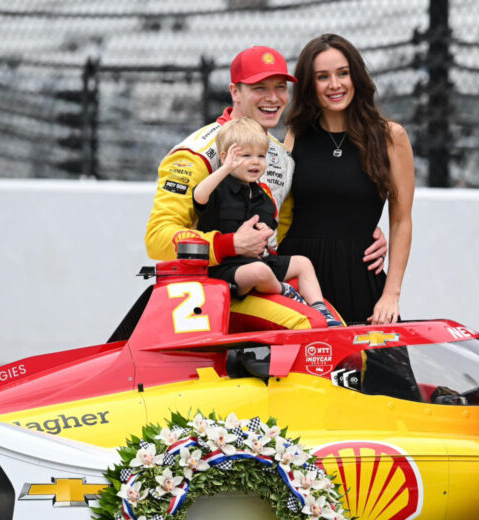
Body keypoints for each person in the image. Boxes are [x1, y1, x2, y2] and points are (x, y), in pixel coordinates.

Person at [144, 45, 386, 330]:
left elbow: (284, 233)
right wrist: (228, 244)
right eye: (260, 88)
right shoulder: (195, 154)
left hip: (264, 281)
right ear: (235, 92)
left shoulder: (282, 157)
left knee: (336, 329)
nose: (273, 98)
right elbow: (157, 238)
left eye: (280, 88)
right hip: (209, 292)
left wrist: (363, 232)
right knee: (311, 329)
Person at [279, 34, 414, 325]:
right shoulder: (295, 136)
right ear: (309, 85)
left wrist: (391, 294)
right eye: (322, 77)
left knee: (375, 369)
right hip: (299, 280)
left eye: (343, 73)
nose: (335, 84)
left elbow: (402, 220)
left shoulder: (391, 137)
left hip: (360, 278)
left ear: (356, 76)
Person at [193, 117, 341, 326]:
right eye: (246, 156)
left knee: (303, 263)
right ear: (225, 157)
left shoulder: (264, 196)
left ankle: (320, 309)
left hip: (260, 260)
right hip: (226, 268)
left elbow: (267, 229)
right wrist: (224, 169)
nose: (255, 161)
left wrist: (264, 230)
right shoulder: (218, 188)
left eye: (261, 156)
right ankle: (286, 291)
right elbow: (199, 196)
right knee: (259, 271)